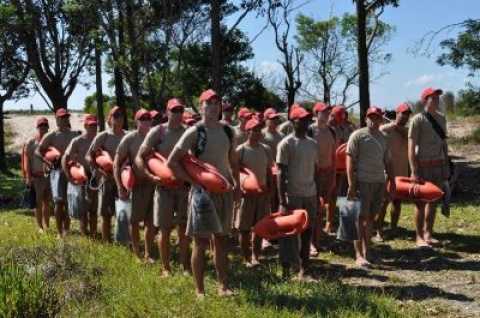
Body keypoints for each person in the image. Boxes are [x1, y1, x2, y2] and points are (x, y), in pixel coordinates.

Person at [167, 88, 240, 299]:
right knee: (199, 242)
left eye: (217, 103)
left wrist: (237, 188)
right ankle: (200, 290)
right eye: (208, 103)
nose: (213, 107)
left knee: (222, 240)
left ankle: (223, 286)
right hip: (202, 195)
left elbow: (233, 163)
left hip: (224, 192)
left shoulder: (229, 131)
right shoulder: (194, 132)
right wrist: (193, 183)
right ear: (201, 107)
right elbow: (172, 161)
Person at [137, 98, 190, 276]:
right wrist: (151, 176)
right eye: (173, 111)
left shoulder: (189, 132)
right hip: (164, 189)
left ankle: (184, 266)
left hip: (184, 189)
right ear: (167, 112)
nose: (177, 114)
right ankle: (165, 267)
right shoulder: (157, 132)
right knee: (164, 229)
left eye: (180, 110)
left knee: (184, 229)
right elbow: (140, 157)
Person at [346, 106, 395, 268]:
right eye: (371, 117)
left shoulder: (383, 138)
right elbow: (349, 159)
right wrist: (351, 184)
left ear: (381, 120)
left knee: (370, 219)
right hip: (362, 181)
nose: (373, 120)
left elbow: (388, 161)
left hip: (379, 182)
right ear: (366, 118)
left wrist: (392, 182)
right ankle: (358, 254)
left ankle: (368, 252)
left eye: (377, 117)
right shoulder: (358, 135)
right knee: (359, 220)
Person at [276, 106, 319, 281]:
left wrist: (318, 194)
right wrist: (281, 200)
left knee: (308, 233)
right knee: (289, 235)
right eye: (301, 119)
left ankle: (304, 270)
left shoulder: (312, 143)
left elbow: (315, 171)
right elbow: (280, 173)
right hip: (293, 195)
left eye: (307, 119)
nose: (305, 122)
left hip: (310, 194)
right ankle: (286, 270)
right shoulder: (286, 143)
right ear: (293, 121)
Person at [408, 87, 450, 248]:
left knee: (433, 201)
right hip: (423, 166)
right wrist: (413, 170)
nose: (437, 100)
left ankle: (428, 234)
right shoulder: (417, 120)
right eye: (433, 98)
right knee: (420, 202)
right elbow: (411, 147)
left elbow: (444, 143)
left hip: (438, 165)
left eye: (438, 98)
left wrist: (446, 164)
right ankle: (419, 237)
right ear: (426, 100)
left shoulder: (442, 118)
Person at [114, 109, 154, 261]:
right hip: (135, 186)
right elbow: (116, 164)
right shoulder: (130, 138)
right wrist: (120, 187)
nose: (146, 120)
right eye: (142, 118)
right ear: (136, 121)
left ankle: (148, 253)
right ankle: (137, 253)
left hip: (152, 185)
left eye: (148, 117)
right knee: (134, 222)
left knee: (150, 222)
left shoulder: (155, 136)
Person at [35, 108, 80, 238]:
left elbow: (81, 151)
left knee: (68, 202)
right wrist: (47, 162)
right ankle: (60, 232)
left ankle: (67, 229)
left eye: (67, 117)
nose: (65, 119)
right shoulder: (51, 135)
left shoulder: (74, 135)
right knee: (59, 202)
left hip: (71, 172)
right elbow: (37, 152)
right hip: (57, 173)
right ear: (57, 120)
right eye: (62, 117)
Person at [236, 118, 273, 267]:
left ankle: (255, 256)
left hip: (262, 195)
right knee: (244, 229)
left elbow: (269, 170)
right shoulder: (241, 150)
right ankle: (246, 259)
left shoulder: (266, 149)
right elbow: (235, 172)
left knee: (259, 228)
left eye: (260, 130)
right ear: (248, 132)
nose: (258, 133)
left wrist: (270, 188)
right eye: (255, 130)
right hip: (246, 196)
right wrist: (240, 190)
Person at [88, 106, 127, 243]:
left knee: (122, 212)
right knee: (106, 214)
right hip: (106, 180)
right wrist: (99, 171)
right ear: (109, 119)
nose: (119, 118)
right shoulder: (103, 136)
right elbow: (89, 156)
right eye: (115, 116)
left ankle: (121, 240)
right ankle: (106, 241)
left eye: (121, 116)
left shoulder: (128, 136)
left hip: (123, 181)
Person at [376, 103, 412, 241]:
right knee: (383, 203)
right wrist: (392, 127)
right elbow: (378, 132)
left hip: (402, 173)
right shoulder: (386, 129)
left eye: (407, 114)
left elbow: (413, 141)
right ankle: (379, 231)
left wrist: (403, 131)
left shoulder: (407, 131)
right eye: (403, 113)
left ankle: (394, 229)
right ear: (397, 114)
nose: (405, 117)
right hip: (386, 173)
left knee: (397, 203)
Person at [61, 114, 99, 237]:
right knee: (83, 210)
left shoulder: (100, 139)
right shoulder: (77, 140)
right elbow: (64, 158)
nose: (94, 127)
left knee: (94, 209)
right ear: (85, 126)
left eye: (95, 125)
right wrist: (69, 177)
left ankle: (93, 234)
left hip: (96, 178)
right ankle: (84, 234)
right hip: (82, 178)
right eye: (91, 125)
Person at [308, 102, 336, 252]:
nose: (326, 114)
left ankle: (317, 241)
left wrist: (333, 178)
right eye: (323, 112)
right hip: (314, 175)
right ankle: (311, 244)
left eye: (327, 112)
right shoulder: (310, 130)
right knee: (314, 210)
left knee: (322, 209)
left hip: (327, 174)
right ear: (316, 113)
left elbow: (333, 155)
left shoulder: (331, 131)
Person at [25, 117, 51, 233]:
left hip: (49, 177)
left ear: (48, 127)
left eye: (45, 125)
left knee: (47, 203)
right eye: (41, 125)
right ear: (37, 127)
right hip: (36, 177)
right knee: (38, 203)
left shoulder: (51, 140)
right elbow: (26, 160)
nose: (43, 127)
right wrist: (28, 176)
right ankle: (40, 227)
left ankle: (47, 226)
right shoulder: (31, 141)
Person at [261, 107, 284, 212]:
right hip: (265, 171)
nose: (274, 121)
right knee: (266, 198)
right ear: (265, 120)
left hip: (279, 172)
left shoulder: (282, 135)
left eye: (276, 119)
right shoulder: (261, 135)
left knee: (277, 198)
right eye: (271, 119)